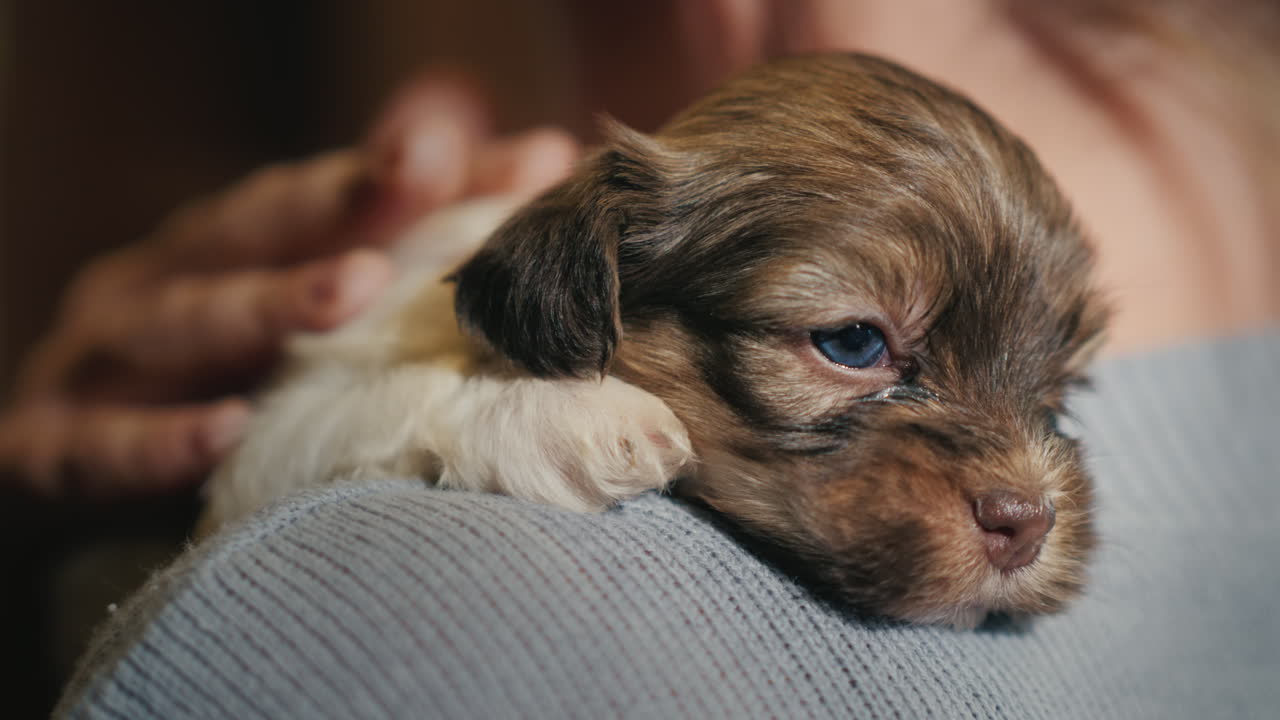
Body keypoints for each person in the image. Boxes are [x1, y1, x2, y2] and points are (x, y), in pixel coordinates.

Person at [3, 2, 1279, 717]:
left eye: (1054, 392)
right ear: (582, 284)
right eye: (850, 344)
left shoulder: (359, 632)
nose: (1023, 486)